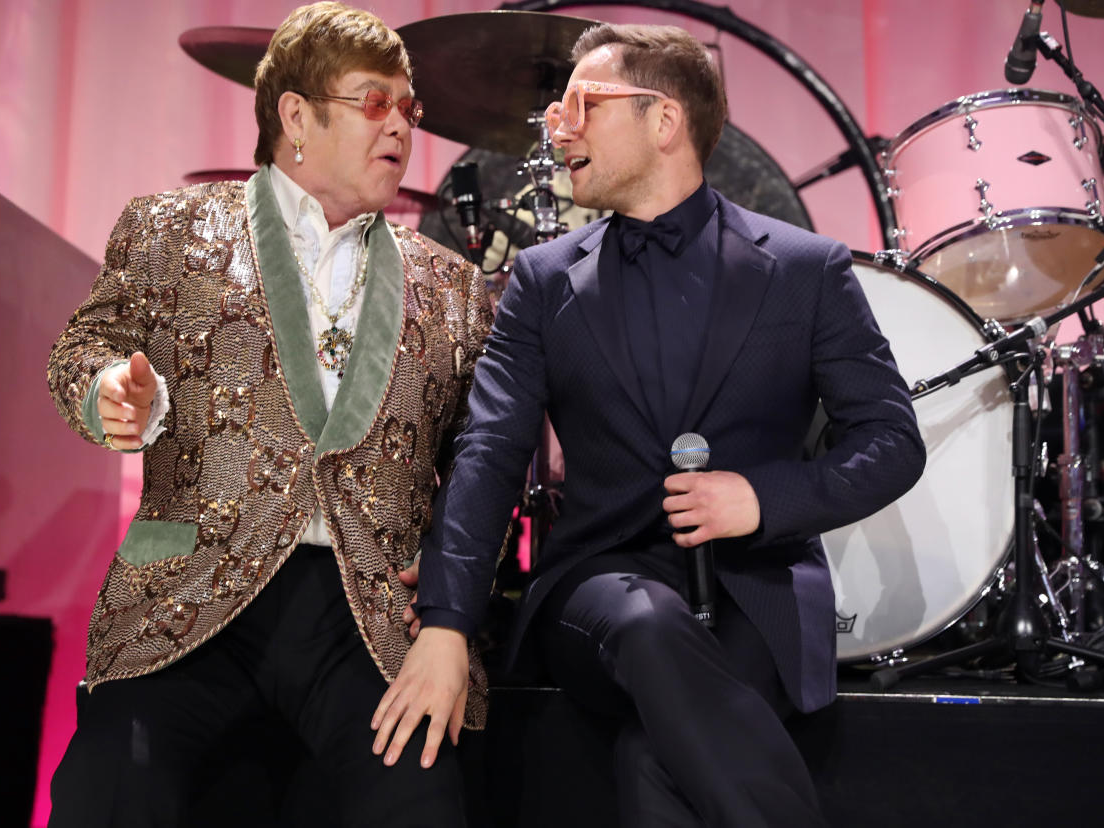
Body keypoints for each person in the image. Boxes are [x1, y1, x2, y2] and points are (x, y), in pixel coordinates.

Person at [385, 22, 926, 827]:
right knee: (645, 621)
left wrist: (762, 499)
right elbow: (491, 451)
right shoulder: (541, 280)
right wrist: (447, 622)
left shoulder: (807, 269)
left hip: (756, 592)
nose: (555, 126)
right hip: (597, 589)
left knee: (654, 760)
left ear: (663, 120)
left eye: (582, 105)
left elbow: (890, 442)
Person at [45, 4, 493, 825]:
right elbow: (82, 349)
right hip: (186, 583)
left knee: (418, 804)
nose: (401, 126)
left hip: (362, 610)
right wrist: (110, 393)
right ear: (296, 114)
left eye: (410, 108)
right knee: (108, 790)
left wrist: (452, 578)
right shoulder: (171, 228)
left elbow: (484, 454)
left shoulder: (451, 285)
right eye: (374, 101)